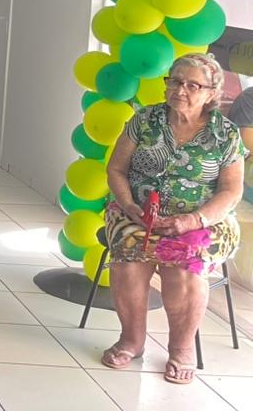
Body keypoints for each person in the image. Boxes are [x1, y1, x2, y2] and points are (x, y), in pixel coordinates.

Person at [101, 54, 245, 385]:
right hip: (137, 212)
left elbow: (231, 190)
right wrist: (128, 204)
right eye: (176, 81)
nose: (180, 89)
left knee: (184, 264)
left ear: (211, 93)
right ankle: (131, 340)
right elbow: (116, 169)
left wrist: (193, 220)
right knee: (128, 258)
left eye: (193, 85)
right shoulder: (144, 119)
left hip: (204, 220)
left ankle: (181, 349)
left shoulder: (225, 134)